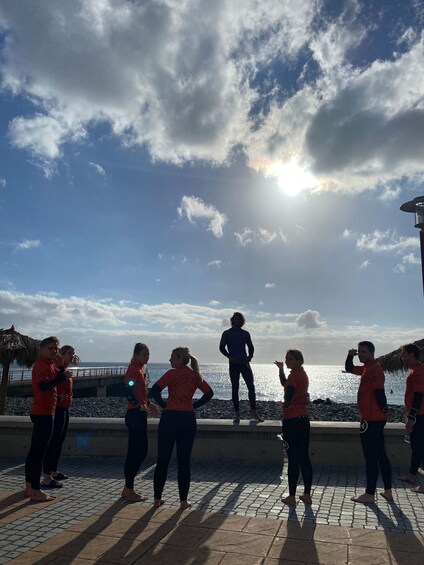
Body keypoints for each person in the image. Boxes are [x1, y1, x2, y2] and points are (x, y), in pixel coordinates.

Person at [150, 347, 213, 510]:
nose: (169, 360)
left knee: (163, 460)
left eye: (172, 357)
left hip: (170, 418)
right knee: (184, 461)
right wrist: (194, 405)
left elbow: (154, 391)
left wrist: (164, 405)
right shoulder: (195, 375)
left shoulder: (172, 373)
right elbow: (209, 393)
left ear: (179, 359)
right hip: (187, 419)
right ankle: (183, 501)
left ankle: (157, 499)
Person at [345, 341, 393, 503]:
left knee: (371, 456)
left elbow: (380, 393)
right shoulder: (367, 368)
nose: (361, 354)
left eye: (364, 352)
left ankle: (369, 494)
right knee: (381, 454)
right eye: (359, 352)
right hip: (374, 419)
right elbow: (350, 368)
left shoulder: (373, 369)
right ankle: (387, 491)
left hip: (371, 420)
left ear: (371, 353)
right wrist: (349, 356)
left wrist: (385, 410)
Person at [24, 336, 70, 502]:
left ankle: (30, 486)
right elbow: (44, 386)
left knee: (35, 451)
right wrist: (60, 378)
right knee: (38, 452)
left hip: (45, 411)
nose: (54, 351)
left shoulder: (50, 365)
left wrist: (60, 368)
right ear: (42, 349)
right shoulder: (42, 365)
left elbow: (56, 379)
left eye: (56, 349)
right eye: (50, 348)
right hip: (43, 413)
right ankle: (36, 490)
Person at [275, 349, 313, 506]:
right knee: (304, 457)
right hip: (303, 419)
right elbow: (285, 384)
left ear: (299, 360)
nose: (288, 360)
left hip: (292, 421)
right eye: (286, 358)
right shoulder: (302, 374)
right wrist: (281, 369)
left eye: (290, 359)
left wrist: (286, 403)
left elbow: (288, 390)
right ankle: (306, 494)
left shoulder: (294, 375)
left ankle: (291, 496)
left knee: (293, 458)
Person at [122, 343, 158, 502]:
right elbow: (128, 389)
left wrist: (148, 404)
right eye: (144, 354)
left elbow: (139, 393)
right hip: (134, 415)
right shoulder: (133, 370)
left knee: (136, 451)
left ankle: (128, 488)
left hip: (138, 413)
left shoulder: (139, 370)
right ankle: (128, 488)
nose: (147, 357)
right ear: (136, 355)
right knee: (138, 451)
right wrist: (138, 405)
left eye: (148, 354)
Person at [41, 345, 77, 488]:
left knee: (59, 441)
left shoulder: (65, 370)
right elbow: (49, 385)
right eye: (69, 353)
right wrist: (58, 397)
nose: (72, 356)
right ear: (61, 355)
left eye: (73, 353)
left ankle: (54, 471)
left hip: (65, 408)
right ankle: (47, 475)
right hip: (58, 409)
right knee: (53, 441)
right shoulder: (57, 369)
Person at [219, 312, 263, 423]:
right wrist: (229, 356)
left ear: (241, 321)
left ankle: (253, 412)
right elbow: (221, 347)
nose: (237, 320)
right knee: (235, 388)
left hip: (244, 363)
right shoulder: (227, 333)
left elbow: (250, 346)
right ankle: (237, 413)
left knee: (251, 387)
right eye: (235, 319)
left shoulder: (245, 334)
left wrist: (250, 356)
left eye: (239, 319)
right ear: (232, 320)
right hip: (234, 364)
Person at [399, 343, 424, 493]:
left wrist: (411, 418)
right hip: (417, 415)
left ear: (411, 354)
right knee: (415, 446)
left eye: (404, 353)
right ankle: (412, 475)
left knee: (420, 447)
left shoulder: (419, 371)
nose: (402, 356)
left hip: (420, 416)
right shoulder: (413, 370)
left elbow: (419, 396)